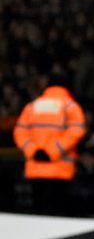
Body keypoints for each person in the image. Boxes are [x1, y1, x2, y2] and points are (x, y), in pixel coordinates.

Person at [13, 74, 86, 214]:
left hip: (35, 168)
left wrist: (33, 151)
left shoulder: (32, 106)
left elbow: (19, 132)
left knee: (38, 216)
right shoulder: (70, 106)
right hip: (60, 170)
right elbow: (77, 130)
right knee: (57, 216)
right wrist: (53, 151)